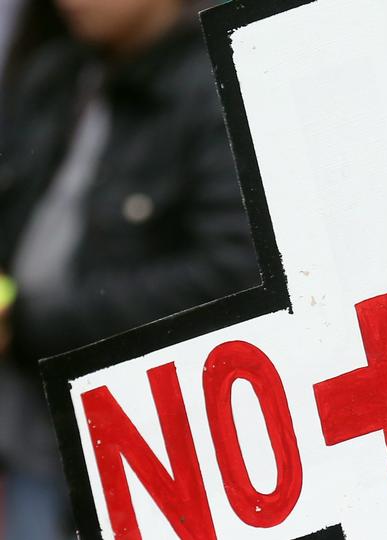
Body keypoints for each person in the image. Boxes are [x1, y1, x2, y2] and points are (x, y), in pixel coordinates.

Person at [0, 0, 259, 536]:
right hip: (30, 423)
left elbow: (229, 277)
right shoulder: (56, 74)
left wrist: (32, 322)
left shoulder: (213, 86)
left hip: (145, 440)